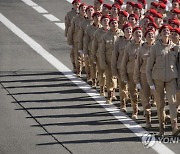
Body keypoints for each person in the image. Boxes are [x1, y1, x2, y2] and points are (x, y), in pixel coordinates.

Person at [146, 25, 180, 136]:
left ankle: (175, 127)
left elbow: (178, 66)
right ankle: (162, 128)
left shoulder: (175, 47)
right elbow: (148, 68)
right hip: (158, 79)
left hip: (171, 78)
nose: (166, 32)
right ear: (160, 34)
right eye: (164, 30)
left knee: (173, 102)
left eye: (168, 31)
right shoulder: (155, 48)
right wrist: (151, 83)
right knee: (160, 104)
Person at [134, 29, 156, 128]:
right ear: (145, 37)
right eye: (148, 34)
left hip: (156, 76)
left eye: (152, 34)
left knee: (159, 99)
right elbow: (137, 65)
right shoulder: (141, 49)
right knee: (145, 99)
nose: (150, 36)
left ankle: (162, 119)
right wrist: (137, 80)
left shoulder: (157, 47)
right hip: (144, 76)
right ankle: (148, 119)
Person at [121, 26, 144, 120]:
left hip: (143, 73)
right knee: (133, 93)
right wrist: (124, 75)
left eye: (140, 33)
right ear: (133, 36)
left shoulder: (146, 45)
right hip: (131, 73)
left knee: (144, 93)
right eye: (136, 34)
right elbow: (124, 62)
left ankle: (147, 112)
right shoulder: (129, 46)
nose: (138, 35)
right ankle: (135, 111)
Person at [99, 18, 124, 103]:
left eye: (116, 23)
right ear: (109, 25)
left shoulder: (122, 34)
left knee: (120, 79)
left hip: (119, 61)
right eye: (112, 23)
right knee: (109, 78)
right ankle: (110, 95)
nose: (114, 24)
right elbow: (101, 51)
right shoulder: (105, 36)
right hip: (109, 61)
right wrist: (102, 62)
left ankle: (122, 97)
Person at [112, 23, 132, 112]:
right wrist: (114, 70)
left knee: (132, 88)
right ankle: (122, 104)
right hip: (121, 67)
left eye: (130, 30)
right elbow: (114, 56)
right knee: (122, 87)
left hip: (132, 68)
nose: (129, 31)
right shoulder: (119, 41)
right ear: (123, 32)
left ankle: (129, 99)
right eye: (127, 30)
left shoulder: (135, 42)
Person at [92, 15, 110, 96]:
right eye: (104, 20)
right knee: (101, 73)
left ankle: (111, 91)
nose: (106, 22)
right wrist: (94, 57)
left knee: (111, 75)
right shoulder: (97, 33)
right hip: (100, 56)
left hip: (111, 57)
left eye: (107, 20)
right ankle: (102, 88)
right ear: (101, 22)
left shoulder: (113, 33)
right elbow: (94, 46)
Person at [67, 3, 87, 77]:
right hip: (77, 40)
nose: (83, 11)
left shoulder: (88, 19)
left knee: (86, 57)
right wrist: (70, 41)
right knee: (77, 56)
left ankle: (87, 71)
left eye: (85, 9)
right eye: (82, 9)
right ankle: (78, 70)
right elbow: (71, 30)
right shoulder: (75, 19)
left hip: (86, 41)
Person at [84, 12, 102, 87]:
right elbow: (86, 40)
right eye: (95, 17)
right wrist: (85, 51)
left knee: (100, 67)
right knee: (93, 66)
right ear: (93, 18)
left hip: (101, 50)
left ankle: (99, 80)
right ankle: (93, 80)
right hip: (91, 49)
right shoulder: (89, 28)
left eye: (98, 17)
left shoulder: (103, 28)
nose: (97, 18)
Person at [78, 5, 94, 81]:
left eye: (91, 10)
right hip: (87, 45)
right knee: (88, 63)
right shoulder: (83, 23)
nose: (90, 12)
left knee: (95, 64)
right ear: (86, 13)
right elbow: (80, 36)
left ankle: (94, 78)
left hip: (96, 47)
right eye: (88, 11)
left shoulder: (98, 22)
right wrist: (80, 48)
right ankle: (89, 76)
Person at [65, 0, 81, 72]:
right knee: (73, 53)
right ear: (73, 5)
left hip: (82, 38)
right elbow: (67, 26)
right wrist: (67, 36)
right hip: (74, 36)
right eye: (75, 4)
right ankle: (75, 66)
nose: (77, 5)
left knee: (81, 54)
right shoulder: (69, 14)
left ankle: (81, 66)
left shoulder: (83, 14)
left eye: (78, 4)